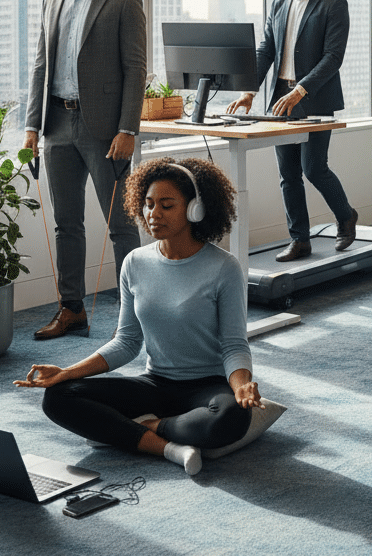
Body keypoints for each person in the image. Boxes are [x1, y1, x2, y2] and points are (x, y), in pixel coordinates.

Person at [14, 159, 281, 475]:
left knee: (230, 417)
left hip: (206, 387)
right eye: (149, 204)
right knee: (58, 397)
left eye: (167, 205)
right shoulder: (134, 263)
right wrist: (67, 372)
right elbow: (126, 342)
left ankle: (139, 428)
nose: (154, 214)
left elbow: (233, 345)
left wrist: (241, 386)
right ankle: (168, 448)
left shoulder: (224, 267)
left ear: (194, 209)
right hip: (155, 384)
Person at [24, 0, 147, 341]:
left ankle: (137, 313)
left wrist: (128, 128)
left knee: (121, 224)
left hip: (104, 129)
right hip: (57, 123)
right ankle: (72, 309)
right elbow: (41, 64)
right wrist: (30, 126)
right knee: (67, 224)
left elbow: (135, 68)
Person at [228, 0, 357, 262]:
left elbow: (333, 57)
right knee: (288, 175)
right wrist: (248, 91)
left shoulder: (333, 3)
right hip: (280, 99)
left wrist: (301, 89)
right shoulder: (279, 3)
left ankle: (346, 216)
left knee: (314, 168)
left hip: (313, 98)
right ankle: (299, 239)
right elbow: (266, 50)